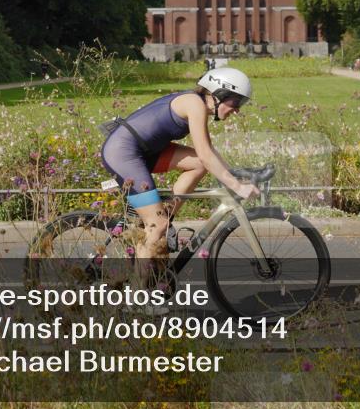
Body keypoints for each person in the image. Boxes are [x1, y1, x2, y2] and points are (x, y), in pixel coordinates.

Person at [100, 68, 259, 263]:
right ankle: (139, 289)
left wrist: (234, 176)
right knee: (157, 224)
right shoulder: (194, 105)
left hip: (145, 151)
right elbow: (206, 154)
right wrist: (237, 187)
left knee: (199, 165)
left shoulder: (197, 104)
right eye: (236, 102)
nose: (237, 109)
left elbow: (207, 153)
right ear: (219, 94)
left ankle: (163, 220)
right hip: (123, 153)